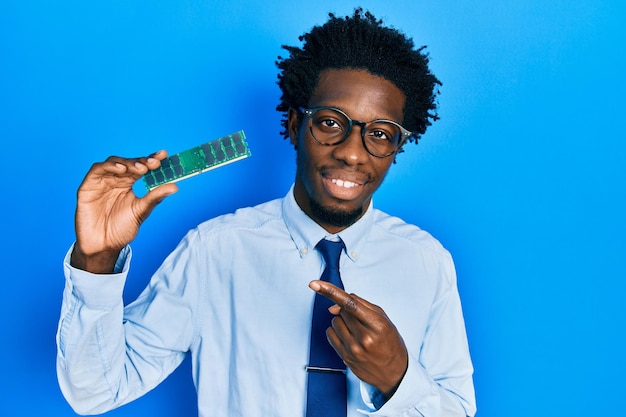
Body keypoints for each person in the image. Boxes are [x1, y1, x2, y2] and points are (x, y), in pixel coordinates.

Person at [56, 8, 476, 417]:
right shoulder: (214, 252)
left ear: (396, 149)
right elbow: (95, 393)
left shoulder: (427, 263)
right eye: (331, 123)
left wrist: (396, 377)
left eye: (380, 134)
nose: (351, 153)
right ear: (295, 125)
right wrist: (97, 261)